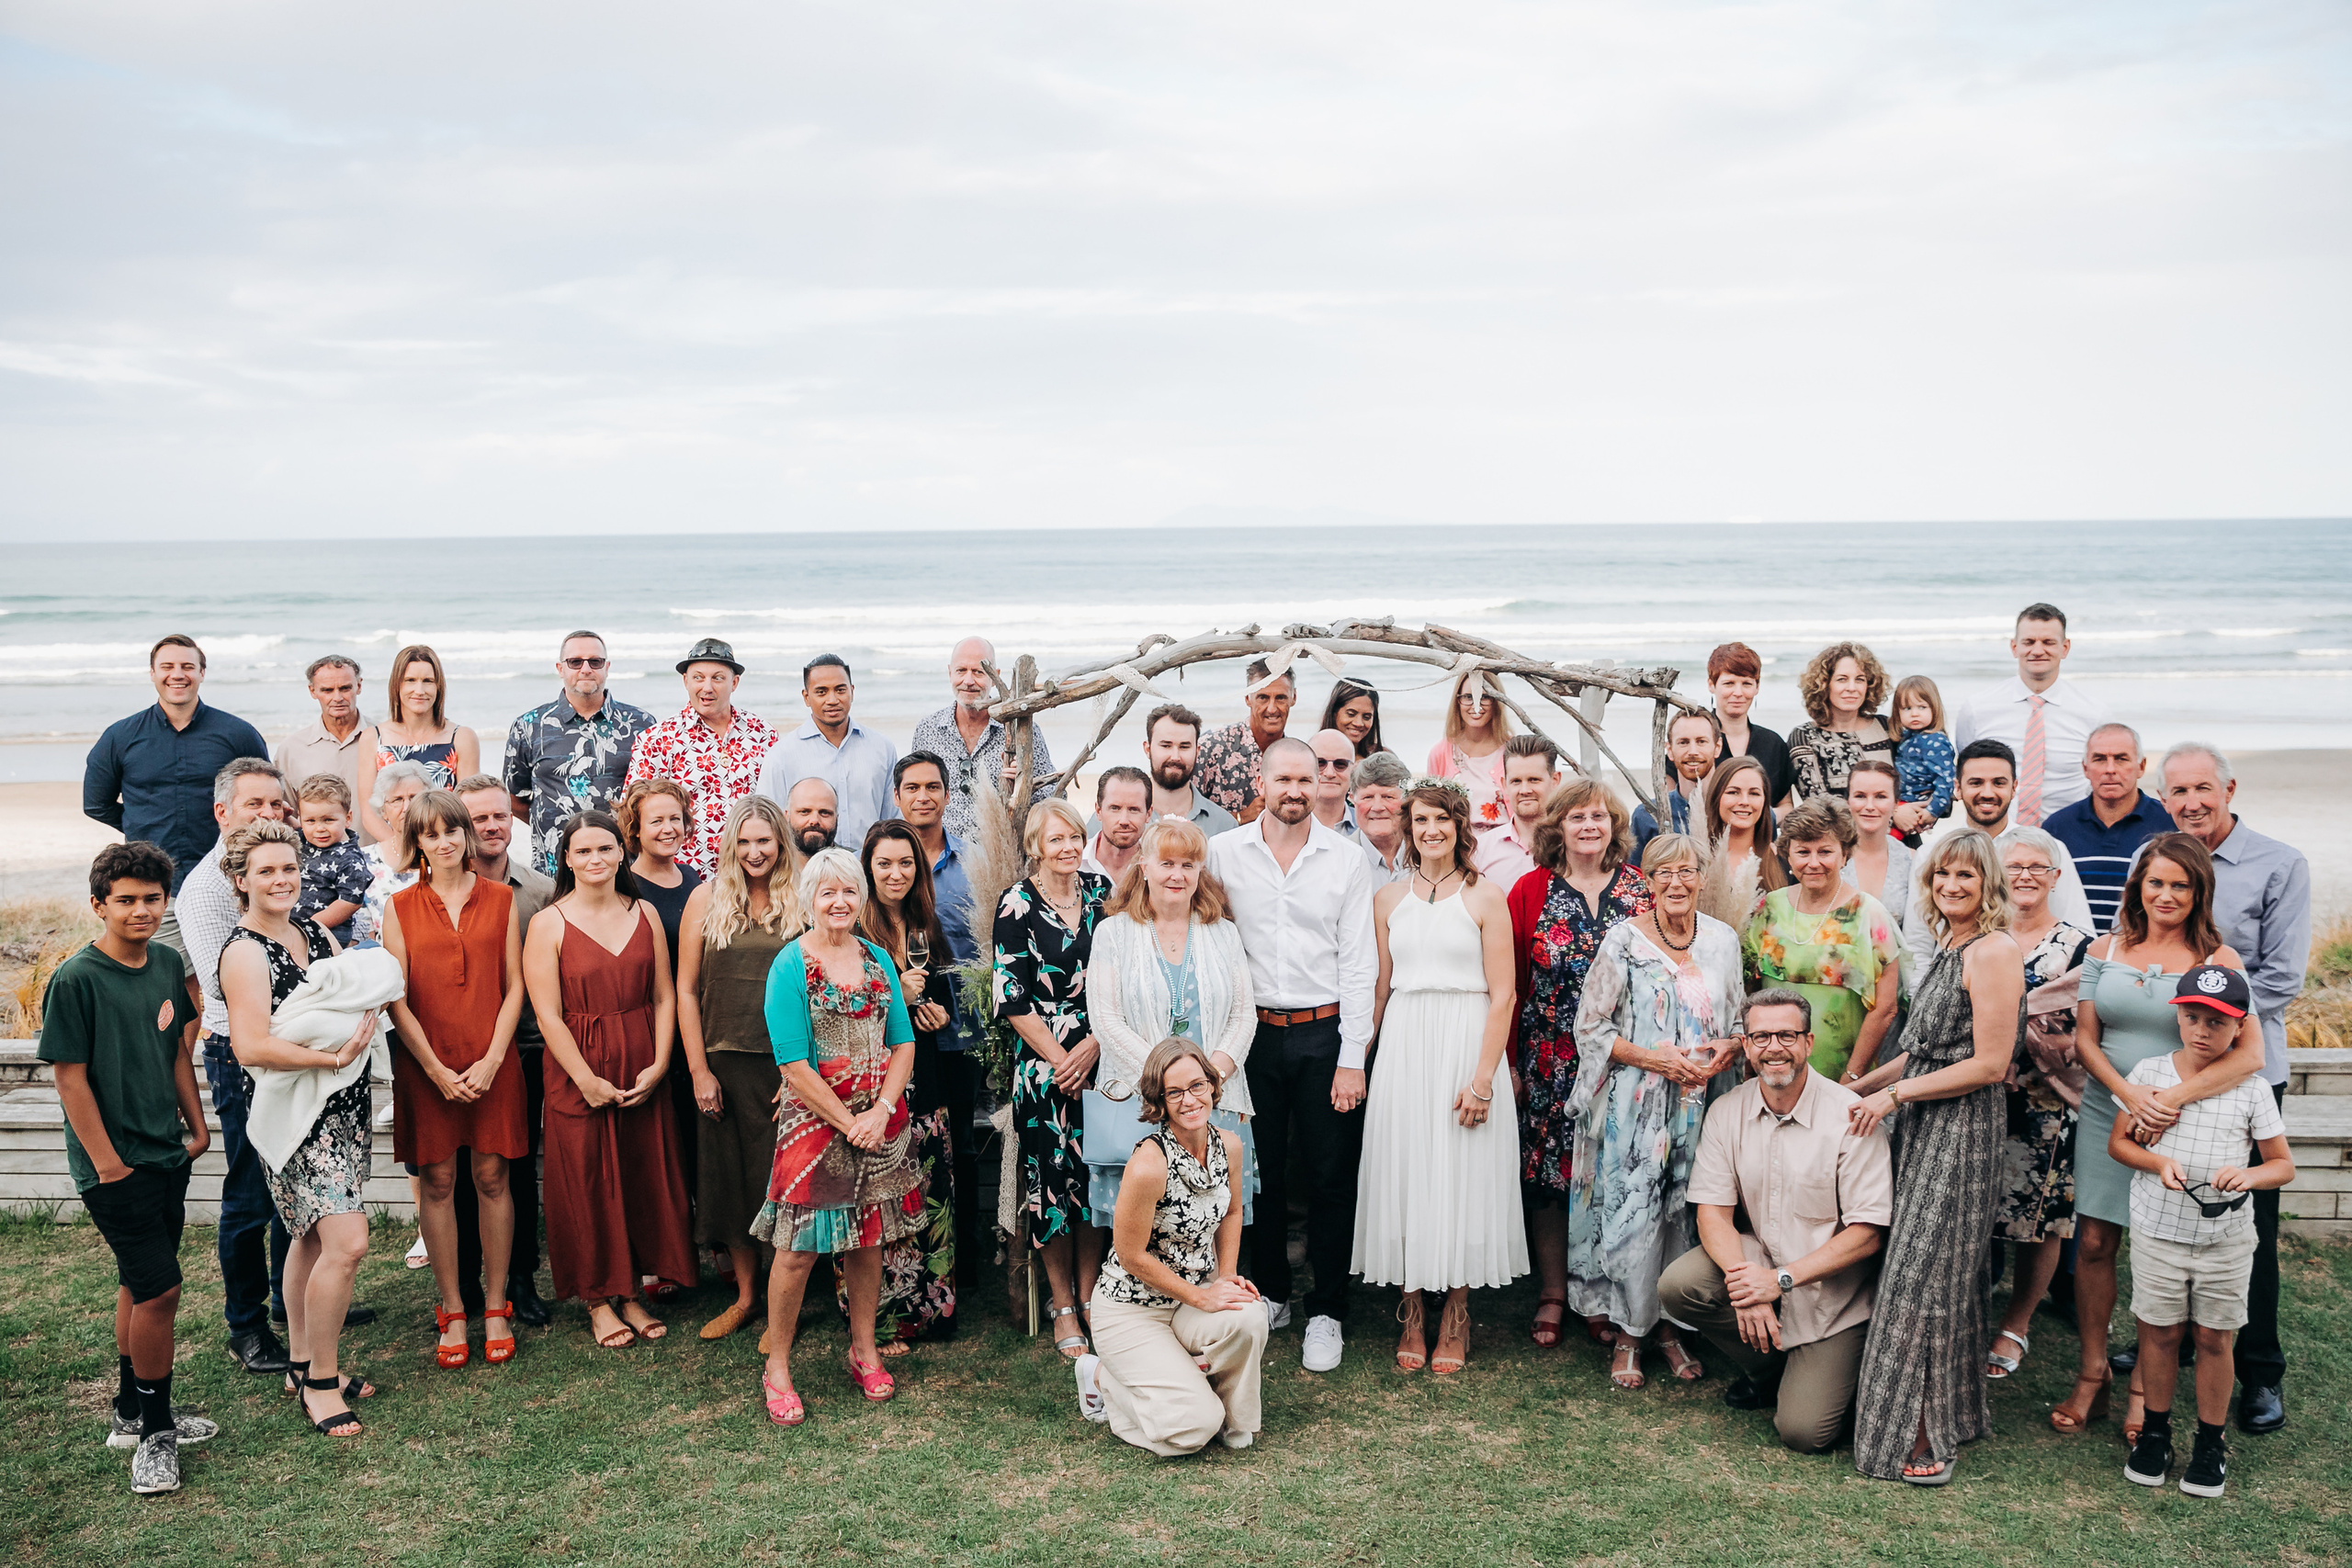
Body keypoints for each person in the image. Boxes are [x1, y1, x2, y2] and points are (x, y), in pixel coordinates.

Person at [2054, 831, 2267, 1443]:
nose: (2167, 894)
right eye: (2156, 882)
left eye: (2181, 883)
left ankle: (2148, 1388)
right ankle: (2093, 1375)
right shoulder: (2105, 945)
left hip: (2186, 1120)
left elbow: (2251, 1053)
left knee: (2161, 1248)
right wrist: (2130, 1095)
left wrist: (2168, 1099)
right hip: (2108, 1109)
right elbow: (2085, 1039)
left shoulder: (2219, 959)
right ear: (2138, 887)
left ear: (2199, 891)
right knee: (2094, 1241)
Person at [1845, 829, 2024, 1484]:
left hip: (1963, 1130)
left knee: (1925, 1280)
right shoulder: (1950, 944)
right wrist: (1861, 1084)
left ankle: (1926, 1430)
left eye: (1966, 877)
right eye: (1942, 874)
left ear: (1989, 886)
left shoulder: (1996, 950)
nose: (1951, 885)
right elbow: (1925, 1046)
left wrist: (1893, 1094)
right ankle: (1957, 1411)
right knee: (1936, 1271)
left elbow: (1989, 1062)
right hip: (1923, 1123)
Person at [41, 841, 215, 1494]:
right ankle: (156, 1433)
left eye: (151, 899)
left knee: (138, 1285)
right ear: (99, 905)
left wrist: (196, 1127)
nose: (141, 910)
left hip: (167, 1151)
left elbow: (176, 1051)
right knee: (162, 1290)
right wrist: (109, 1164)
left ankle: (127, 1409)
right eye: (126, 900)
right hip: (114, 1168)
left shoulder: (168, 963)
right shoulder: (76, 978)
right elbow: (69, 1079)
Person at [1657, 989, 1894, 1453]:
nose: (1774, 1047)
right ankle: (1771, 1370)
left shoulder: (1849, 1116)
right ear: (1745, 1046)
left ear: (1808, 1043)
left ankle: (1822, 1373)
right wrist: (1746, 1286)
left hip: (1833, 1297)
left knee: (1804, 1433)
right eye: (1761, 1036)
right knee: (1680, 1285)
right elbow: (1713, 1214)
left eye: (1786, 1035)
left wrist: (1779, 1282)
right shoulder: (1728, 1110)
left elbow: (1868, 1236)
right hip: (1762, 1264)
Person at [1205, 738, 1376, 1372]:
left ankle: (1327, 1308)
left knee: (1331, 1175)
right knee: (1260, 1173)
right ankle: (1274, 1292)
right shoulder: (1223, 852)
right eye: (1285, 778)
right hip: (1250, 1034)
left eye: (1307, 778)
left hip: (1325, 1031)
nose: (1296, 789)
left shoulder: (1346, 858)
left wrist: (1352, 1055)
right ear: (1263, 779)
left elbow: (1360, 962)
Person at [2156, 740, 2310, 1434]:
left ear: (2229, 788)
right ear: (2163, 799)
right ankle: (2175, 1339)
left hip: (2247, 1072)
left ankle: (2259, 1371)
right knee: (2173, 1202)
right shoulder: (2155, 861)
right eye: (2178, 791)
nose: (2191, 802)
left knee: (2250, 1224)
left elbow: (2280, 978)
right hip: (2171, 1071)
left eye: (2202, 789)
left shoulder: (2281, 864)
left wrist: (2213, 1029)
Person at [216, 821, 383, 1437]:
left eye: (290, 867)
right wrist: (331, 1058)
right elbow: (251, 1043)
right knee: (347, 1242)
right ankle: (321, 1383)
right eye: (267, 870)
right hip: (295, 1111)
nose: (283, 878)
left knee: (310, 1240)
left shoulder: (311, 929)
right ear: (242, 881)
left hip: (343, 1103)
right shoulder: (243, 951)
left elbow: (350, 989)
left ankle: (301, 1363)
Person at [1355, 778, 1526, 1374]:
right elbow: (1376, 994)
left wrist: (1483, 1079)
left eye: (1442, 819)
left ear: (1459, 826)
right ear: (1409, 827)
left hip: (1466, 1039)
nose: (1431, 830)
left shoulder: (1486, 896)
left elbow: (1503, 996)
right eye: (1420, 820)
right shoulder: (1386, 901)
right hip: (1404, 1042)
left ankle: (1457, 1308)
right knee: (1408, 1170)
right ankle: (1411, 1307)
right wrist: (1357, 1060)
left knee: (1462, 1173)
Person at [752, 848, 927, 1423]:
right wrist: (847, 1120)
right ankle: (777, 1365)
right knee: (798, 1250)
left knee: (869, 1242)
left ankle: (864, 1350)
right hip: (815, 1122)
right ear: (808, 900)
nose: (839, 902)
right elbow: (792, 1063)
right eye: (827, 892)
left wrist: (879, 1110)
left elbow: (903, 1043)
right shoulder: (790, 965)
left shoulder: (878, 959)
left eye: (848, 891)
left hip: (877, 1122)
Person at [2109, 966, 2293, 1498]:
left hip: (2226, 1240)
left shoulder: (2253, 1090)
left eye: (2217, 1022)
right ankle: (2156, 1433)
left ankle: (2209, 1444)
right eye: (2192, 1018)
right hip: (2159, 1231)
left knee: (2215, 1337)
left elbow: (2282, 1165)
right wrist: (2154, 1163)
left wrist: (2251, 1175)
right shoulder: (2150, 1073)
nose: (2202, 1031)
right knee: (2160, 1333)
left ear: (2240, 1028)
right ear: (2178, 1017)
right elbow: (2120, 1145)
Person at [1567, 834, 1743, 1389]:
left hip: (1701, 1105)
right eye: (1663, 873)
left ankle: (1672, 1328)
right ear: (1646, 881)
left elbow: (1737, 1023)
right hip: (1635, 1105)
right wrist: (1655, 1060)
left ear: (1701, 879)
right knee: (1634, 1213)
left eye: (1687, 872)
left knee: (1687, 1210)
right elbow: (1591, 1028)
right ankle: (1628, 1331)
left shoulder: (1724, 941)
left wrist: (1727, 1051)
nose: (1676, 883)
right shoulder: (1622, 941)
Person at [524, 810, 694, 1350]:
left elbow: (665, 994)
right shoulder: (548, 923)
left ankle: (632, 1291)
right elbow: (547, 1014)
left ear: (622, 852)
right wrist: (585, 1080)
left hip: (643, 1059)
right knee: (589, 1178)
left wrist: (661, 1061)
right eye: (583, 852)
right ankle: (598, 1298)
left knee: (642, 1174)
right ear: (566, 860)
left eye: (605, 849)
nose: (595, 860)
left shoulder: (643, 911)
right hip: (580, 1067)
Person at [379, 792, 529, 1371]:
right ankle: (453, 1307)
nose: (444, 843)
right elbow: (397, 997)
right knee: (438, 1181)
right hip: (428, 1066)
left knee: (493, 1175)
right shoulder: (399, 907)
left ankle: (496, 1304)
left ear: (467, 836)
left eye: (453, 832)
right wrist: (436, 1070)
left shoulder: (501, 899)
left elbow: (516, 985)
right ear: (416, 843)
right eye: (430, 834)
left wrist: (493, 1059)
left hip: (493, 1059)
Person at [1509, 774, 1653, 1348]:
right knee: (1549, 1178)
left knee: (1609, 1172)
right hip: (1549, 1056)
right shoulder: (1530, 890)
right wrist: (1513, 1064)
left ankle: (1600, 1288)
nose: (1589, 827)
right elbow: (1512, 983)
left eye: (1599, 817)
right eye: (1576, 817)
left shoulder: (1639, 888)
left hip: (1624, 1058)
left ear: (1614, 826)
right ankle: (1552, 1291)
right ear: (1558, 827)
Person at [1074, 1038, 1267, 1455]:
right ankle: (1105, 1381)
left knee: (1250, 1315)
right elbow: (1131, 1255)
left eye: (1197, 1085)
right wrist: (1203, 1296)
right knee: (1192, 1431)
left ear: (1214, 1086)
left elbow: (1232, 1211)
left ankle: (1232, 1418)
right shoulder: (1149, 1163)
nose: (1190, 1099)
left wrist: (1228, 1279)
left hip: (1188, 1302)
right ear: (1159, 1101)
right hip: (1132, 1310)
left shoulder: (1229, 1145)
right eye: (1174, 1092)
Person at [175, 758, 304, 1373]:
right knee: (251, 1195)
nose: (269, 814)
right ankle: (246, 1324)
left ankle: (289, 1299)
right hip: (241, 1054)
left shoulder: (276, 871)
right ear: (222, 811)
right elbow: (224, 993)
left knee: (290, 1186)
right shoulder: (204, 891)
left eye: (277, 805)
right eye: (255, 804)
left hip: (290, 1047)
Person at [1087, 816, 1258, 1241]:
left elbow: (1244, 1017)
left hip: (1215, 1099)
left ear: (1201, 871)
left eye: (1188, 864)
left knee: (1216, 1219)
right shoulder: (1113, 933)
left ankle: (1213, 1301)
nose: (1177, 875)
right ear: (1143, 867)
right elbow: (1106, 1021)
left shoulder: (1224, 934)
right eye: (1166, 863)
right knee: (1145, 1228)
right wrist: (1169, 1082)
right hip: (1141, 1100)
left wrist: (1206, 1081)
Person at [676, 796, 803, 1342]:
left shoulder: (802, 901)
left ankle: (784, 1303)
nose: (755, 852)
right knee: (730, 1184)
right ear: (732, 844)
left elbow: (816, 989)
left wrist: (802, 1076)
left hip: (786, 1066)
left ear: (780, 844)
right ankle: (747, 1298)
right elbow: (684, 990)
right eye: (745, 841)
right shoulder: (706, 899)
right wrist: (699, 1071)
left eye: (765, 841)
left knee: (780, 1184)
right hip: (722, 1065)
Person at [993, 796, 1114, 1356]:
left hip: (1102, 1055)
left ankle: (1091, 1297)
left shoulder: (1101, 893)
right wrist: (1059, 1059)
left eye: (1074, 837)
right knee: (1050, 1187)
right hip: (1043, 1071)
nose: (1068, 848)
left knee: (1095, 1181)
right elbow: (1011, 997)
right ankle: (1062, 1303)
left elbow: (1120, 980)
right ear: (1034, 846)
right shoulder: (1016, 903)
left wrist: (1092, 1046)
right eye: (1055, 839)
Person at [1984, 826, 2093, 1383]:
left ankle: (2017, 1322)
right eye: (2014, 867)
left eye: (2037, 867)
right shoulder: (1977, 934)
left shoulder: (2081, 946)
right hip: (1977, 1097)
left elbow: (2084, 1028)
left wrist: (2018, 1035)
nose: (2024, 876)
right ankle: (1970, 1310)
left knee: (2042, 1221)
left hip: (2046, 1101)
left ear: (2055, 877)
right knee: (1973, 1211)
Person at [450, 775, 557, 1327]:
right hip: (461, 1054)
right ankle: (464, 1282)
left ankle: (520, 1278)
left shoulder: (539, 891)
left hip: (527, 1049)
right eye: (477, 819)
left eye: (499, 816)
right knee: (462, 1173)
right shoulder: (444, 890)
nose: (491, 827)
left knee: (516, 1168)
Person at [853, 820, 961, 1348]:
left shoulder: (926, 925)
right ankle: (883, 1316)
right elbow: (846, 1015)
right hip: (875, 1085)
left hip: (927, 1080)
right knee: (880, 1200)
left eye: (906, 863)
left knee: (928, 1194)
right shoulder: (854, 932)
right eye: (884, 864)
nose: (896, 874)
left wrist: (932, 1013)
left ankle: (930, 1310)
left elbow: (930, 1005)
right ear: (868, 869)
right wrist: (900, 993)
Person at [83, 635, 270, 937]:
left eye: (187, 666)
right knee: (162, 972)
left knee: (227, 969)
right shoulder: (120, 737)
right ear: (153, 673)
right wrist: (143, 826)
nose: (178, 674)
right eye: (167, 666)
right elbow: (95, 804)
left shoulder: (238, 734)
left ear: (201, 673)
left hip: (225, 873)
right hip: (152, 880)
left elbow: (265, 801)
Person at [891, 750, 988, 1288]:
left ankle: (965, 1259)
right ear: (898, 796)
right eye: (912, 787)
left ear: (948, 796)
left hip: (963, 1029)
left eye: (933, 786)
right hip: (904, 1031)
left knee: (963, 1145)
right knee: (913, 1141)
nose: (923, 796)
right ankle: (920, 1255)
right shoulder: (887, 860)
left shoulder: (973, 860)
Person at [1740, 798, 1903, 1084]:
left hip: (1843, 1074)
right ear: (1787, 855)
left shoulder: (1869, 913)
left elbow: (1886, 1008)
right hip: (1773, 1070)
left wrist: (1852, 1076)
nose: (1813, 863)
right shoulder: (1769, 908)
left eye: (1825, 851)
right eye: (1803, 852)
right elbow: (1748, 988)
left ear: (1845, 854)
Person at [1904, 740, 2097, 971]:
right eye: (1976, 783)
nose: (1987, 793)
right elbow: (1917, 943)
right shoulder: (1932, 853)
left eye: (1998, 783)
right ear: (1957, 787)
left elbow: (2079, 933)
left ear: (2014, 787)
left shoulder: (2048, 850)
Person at [503, 630, 657, 875]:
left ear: (607, 667)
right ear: (560, 668)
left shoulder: (642, 725)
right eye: (575, 662)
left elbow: (654, 797)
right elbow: (513, 797)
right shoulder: (529, 725)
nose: (586, 669)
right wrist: (551, 826)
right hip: (554, 870)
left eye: (595, 662)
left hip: (624, 869)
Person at [624, 638, 780, 874]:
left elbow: (778, 803)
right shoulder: (657, 740)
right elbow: (633, 815)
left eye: (717, 678)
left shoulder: (762, 733)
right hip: (684, 877)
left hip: (752, 873)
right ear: (686, 681)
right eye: (698, 677)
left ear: (734, 682)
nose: (707, 687)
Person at [1952, 603, 2111, 827]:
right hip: (1995, 836)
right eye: (2029, 642)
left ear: (2065, 648)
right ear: (2014, 647)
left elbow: (2103, 781)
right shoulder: (1977, 709)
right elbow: (1967, 774)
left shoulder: (2095, 715)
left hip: (2070, 835)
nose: (2037, 651)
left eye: (2048, 642)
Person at [911, 636, 1058, 840]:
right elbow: (913, 795)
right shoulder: (928, 730)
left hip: (1003, 857)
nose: (969, 681)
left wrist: (1024, 785)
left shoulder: (1023, 730)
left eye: (978, 672)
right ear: (949, 673)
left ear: (995, 677)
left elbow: (1055, 798)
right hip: (940, 858)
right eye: (961, 671)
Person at [757, 654, 899, 848]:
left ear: (852, 691)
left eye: (840, 690)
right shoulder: (782, 755)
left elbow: (892, 819)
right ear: (806, 697)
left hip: (869, 869)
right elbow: (768, 824)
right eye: (821, 692)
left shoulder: (882, 748)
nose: (832, 700)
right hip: (807, 872)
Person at [2044, 723, 2169, 932]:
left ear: (2141, 766)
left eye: (2121, 759)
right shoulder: (2056, 828)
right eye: (2100, 759)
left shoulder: (2169, 826)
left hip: (2142, 956)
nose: (2110, 769)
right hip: (2072, 956)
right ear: (2085, 768)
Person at [354, 645, 480, 843]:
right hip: (395, 853)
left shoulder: (462, 737)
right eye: (410, 680)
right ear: (397, 685)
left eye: (428, 681)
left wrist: (437, 849)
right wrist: (404, 854)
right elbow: (370, 812)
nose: (419, 690)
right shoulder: (373, 738)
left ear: (439, 686)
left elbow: (468, 808)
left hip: (445, 849)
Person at [1785, 641, 1896, 806]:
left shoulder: (1886, 727)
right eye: (1842, 679)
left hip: (1899, 830)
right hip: (1837, 830)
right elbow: (1819, 805)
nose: (1851, 688)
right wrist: (1894, 814)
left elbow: (1917, 779)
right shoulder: (1805, 736)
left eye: (1859, 679)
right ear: (1824, 684)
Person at [617, 777, 706, 981]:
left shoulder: (691, 876)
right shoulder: (624, 886)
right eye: (657, 821)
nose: (668, 829)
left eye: (675, 819)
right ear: (636, 829)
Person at [276, 656, 372, 843]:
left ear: (359, 686)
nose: (337, 698)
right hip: (316, 867)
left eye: (345, 688)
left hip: (380, 860)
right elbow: (284, 816)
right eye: (327, 690)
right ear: (312, 691)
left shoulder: (384, 739)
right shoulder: (291, 750)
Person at [1195, 659, 1295, 824]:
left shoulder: (1295, 756)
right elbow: (1184, 817)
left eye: (1280, 698)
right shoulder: (1211, 747)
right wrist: (1240, 817)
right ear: (1247, 698)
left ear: (1293, 698)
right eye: (1263, 698)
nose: (1272, 708)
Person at [1696, 755, 1785, 928]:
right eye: (1733, 792)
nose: (1744, 801)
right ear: (1717, 797)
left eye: (1754, 793)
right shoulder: (1696, 860)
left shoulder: (1782, 860)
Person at [349, 761, 431, 947]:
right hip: (384, 962)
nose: (407, 807)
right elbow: (362, 933)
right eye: (397, 800)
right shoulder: (363, 860)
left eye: (414, 797)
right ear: (384, 812)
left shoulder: (444, 854)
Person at [1424, 670, 1513, 834]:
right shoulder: (1440, 753)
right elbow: (1431, 811)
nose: (1476, 705)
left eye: (1484, 697)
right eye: (1468, 697)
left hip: (1505, 846)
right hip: (1457, 850)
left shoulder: (1514, 750)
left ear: (1496, 700)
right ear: (1457, 701)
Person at [1708, 642, 1794, 809]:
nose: (1738, 693)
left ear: (1757, 687)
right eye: (1729, 683)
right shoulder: (1696, 739)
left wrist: (1761, 819)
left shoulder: (1773, 743)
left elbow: (1786, 806)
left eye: (1747, 683)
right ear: (1711, 685)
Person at [1841, 761, 1914, 950]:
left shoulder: (1913, 861)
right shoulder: (1830, 858)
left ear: (1896, 803)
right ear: (1848, 801)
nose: (1870, 806)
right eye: (1860, 796)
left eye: (1880, 797)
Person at [1138, 703, 1238, 838]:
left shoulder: (1225, 826)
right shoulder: (1120, 820)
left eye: (1184, 747)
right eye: (1166, 746)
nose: (1175, 757)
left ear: (1197, 751)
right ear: (1148, 749)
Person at [1630, 711, 1716, 865]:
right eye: (1683, 742)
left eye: (1701, 741)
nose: (1693, 751)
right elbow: (1635, 879)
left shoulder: (1739, 810)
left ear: (1717, 747)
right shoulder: (1647, 815)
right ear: (1669, 750)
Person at [292, 774, 371, 945]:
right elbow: (294, 831)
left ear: (348, 818)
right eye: (310, 820)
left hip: (330, 931)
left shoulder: (350, 859)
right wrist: (285, 816)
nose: (319, 828)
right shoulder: (305, 838)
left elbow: (350, 902)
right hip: (295, 926)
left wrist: (311, 925)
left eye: (328, 820)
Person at [1476, 735, 1562, 889]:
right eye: (1516, 781)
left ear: (1555, 780)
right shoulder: (1479, 851)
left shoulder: (1573, 845)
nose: (1525, 790)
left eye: (1534, 780)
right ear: (1504, 785)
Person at [1890, 675, 1955, 845]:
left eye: (1922, 707)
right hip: (1900, 800)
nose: (1915, 713)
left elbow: (1945, 780)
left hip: (1916, 802)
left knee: (1889, 842)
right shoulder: (1906, 737)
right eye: (1907, 708)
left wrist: (1933, 811)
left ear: (1934, 708)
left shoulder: (1935, 741)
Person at [1350, 751, 1413, 885]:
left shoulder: (1427, 853)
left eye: (1388, 797)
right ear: (1352, 800)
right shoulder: (1338, 858)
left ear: (1408, 799)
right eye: (1368, 797)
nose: (1377, 807)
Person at [1083, 766, 1153, 883]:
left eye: (1134, 810)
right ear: (1098, 811)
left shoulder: (1159, 867)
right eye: (1115, 808)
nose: (1124, 821)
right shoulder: (1076, 863)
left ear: (1148, 814)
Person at [1306, 729, 1362, 840]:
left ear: (1353, 770)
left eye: (1340, 764)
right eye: (1320, 763)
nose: (1330, 773)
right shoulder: (1287, 824)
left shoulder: (1367, 825)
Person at [1320, 678, 1387, 757]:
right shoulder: (1313, 755)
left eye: (1366, 717)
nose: (1359, 723)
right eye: (1351, 714)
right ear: (1334, 713)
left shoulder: (1382, 758)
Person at [784, 777, 840, 863]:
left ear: (836, 818)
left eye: (824, 813)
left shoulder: (855, 865)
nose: (814, 821)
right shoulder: (770, 868)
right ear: (787, 816)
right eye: (804, 812)